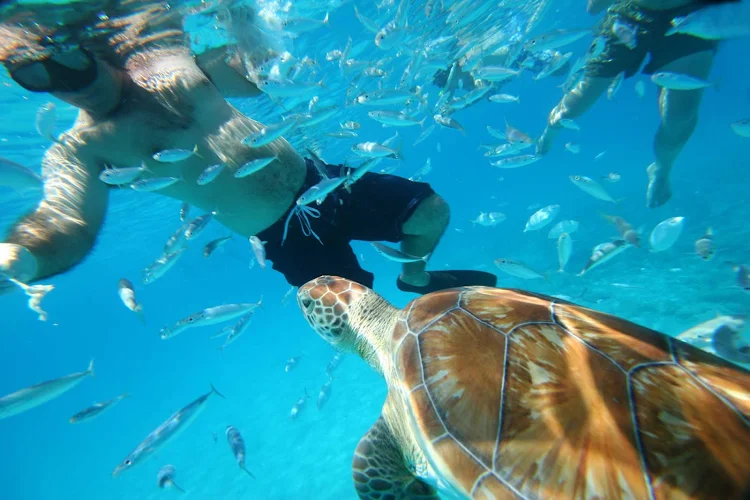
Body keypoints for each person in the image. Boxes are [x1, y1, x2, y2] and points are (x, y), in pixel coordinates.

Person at [0, 1, 496, 294]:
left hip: (322, 180)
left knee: (429, 211)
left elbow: (264, 75)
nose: (65, 85)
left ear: (91, 48)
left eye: (69, 64)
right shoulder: (80, 149)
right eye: (35, 78)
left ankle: (413, 277)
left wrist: (242, 22)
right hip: (279, 232)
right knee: (358, 315)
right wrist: (24, 255)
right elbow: (66, 220)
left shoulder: (177, 66)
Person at [536, 0, 719, 208]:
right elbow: (593, 8)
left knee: (680, 116)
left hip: (691, 12)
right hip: (629, 15)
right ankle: (551, 129)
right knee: (576, 104)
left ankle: (661, 168)